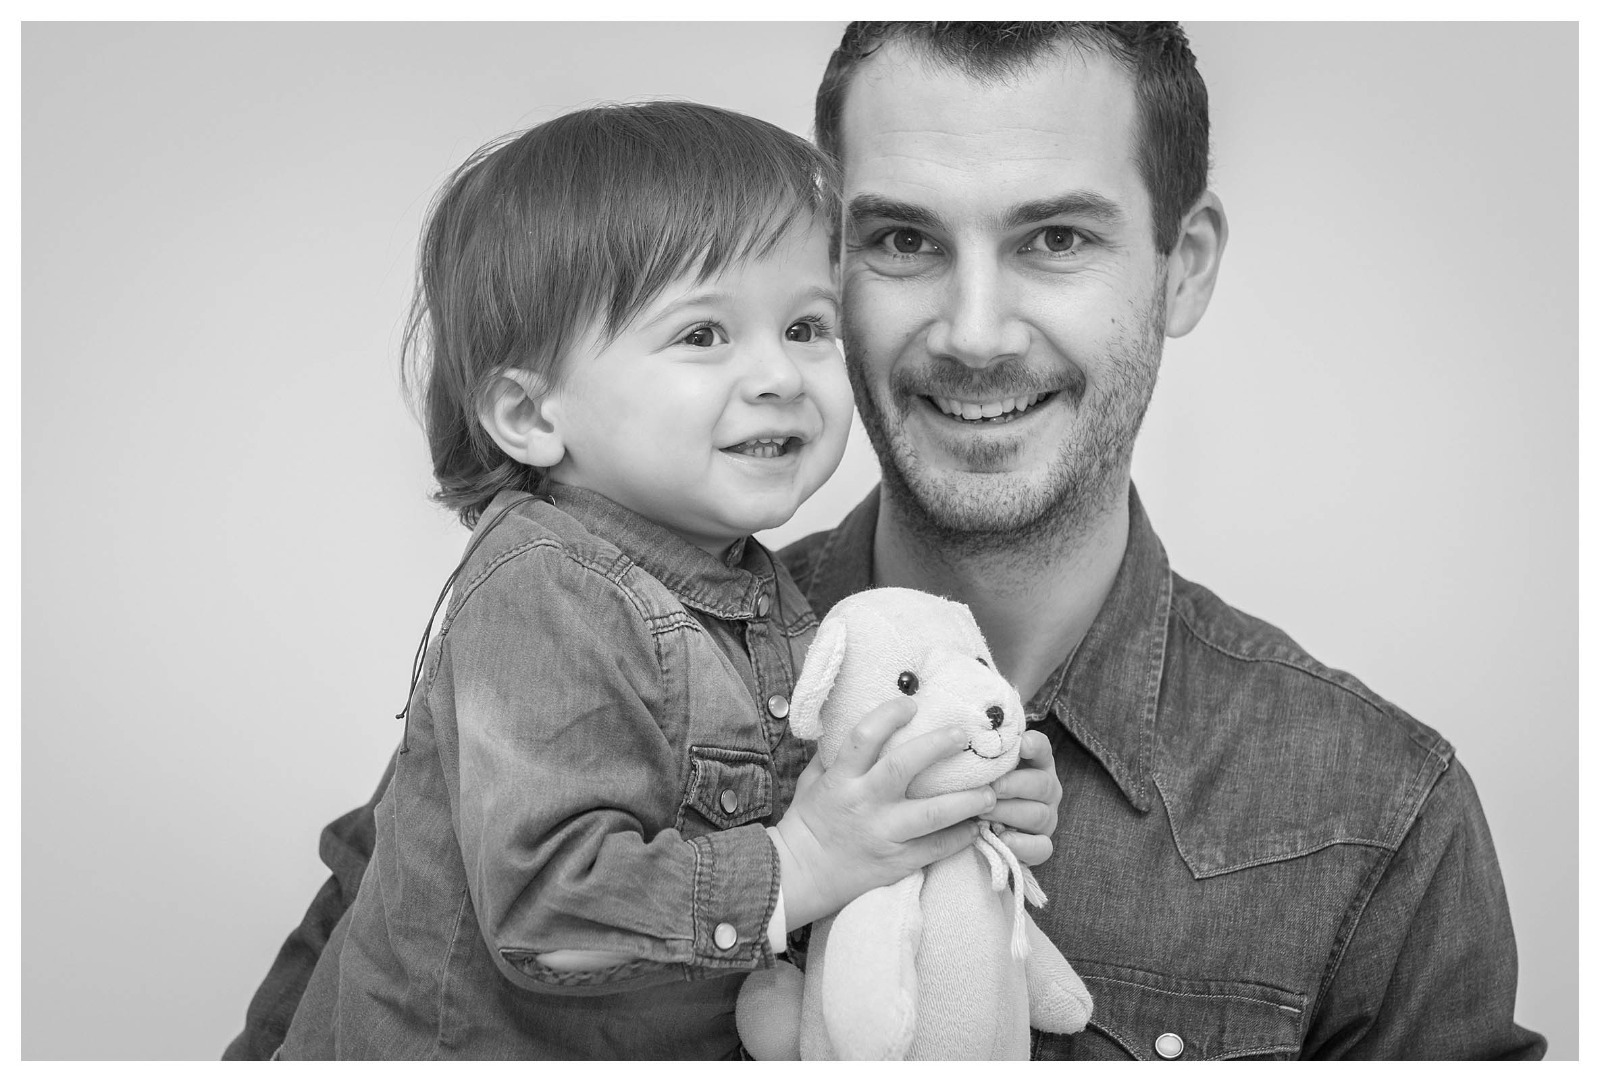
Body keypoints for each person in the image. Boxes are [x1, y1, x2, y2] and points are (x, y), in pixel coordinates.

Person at [228, 22, 1546, 1061]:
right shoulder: (580, 625)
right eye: (903, 240)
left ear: (1181, 264)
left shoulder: (1374, 815)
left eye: (1055, 238)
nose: (973, 332)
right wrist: (803, 860)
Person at [266, 100, 1063, 1060]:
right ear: (529, 413)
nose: (779, 375)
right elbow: (550, 914)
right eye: (702, 336)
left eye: (807, 327)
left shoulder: (762, 601)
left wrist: (954, 789)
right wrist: (804, 859)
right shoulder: (543, 591)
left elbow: (837, 809)